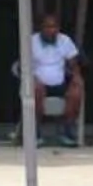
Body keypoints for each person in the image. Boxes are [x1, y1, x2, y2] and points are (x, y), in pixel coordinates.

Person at [27, 10, 83, 143]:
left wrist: (76, 77)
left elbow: (73, 63)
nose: (51, 30)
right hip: (38, 83)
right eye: (48, 26)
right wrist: (33, 79)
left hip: (60, 84)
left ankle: (67, 131)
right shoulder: (31, 41)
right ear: (41, 28)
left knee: (76, 92)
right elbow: (25, 65)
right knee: (36, 90)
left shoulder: (65, 40)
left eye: (54, 27)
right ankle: (36, 132)